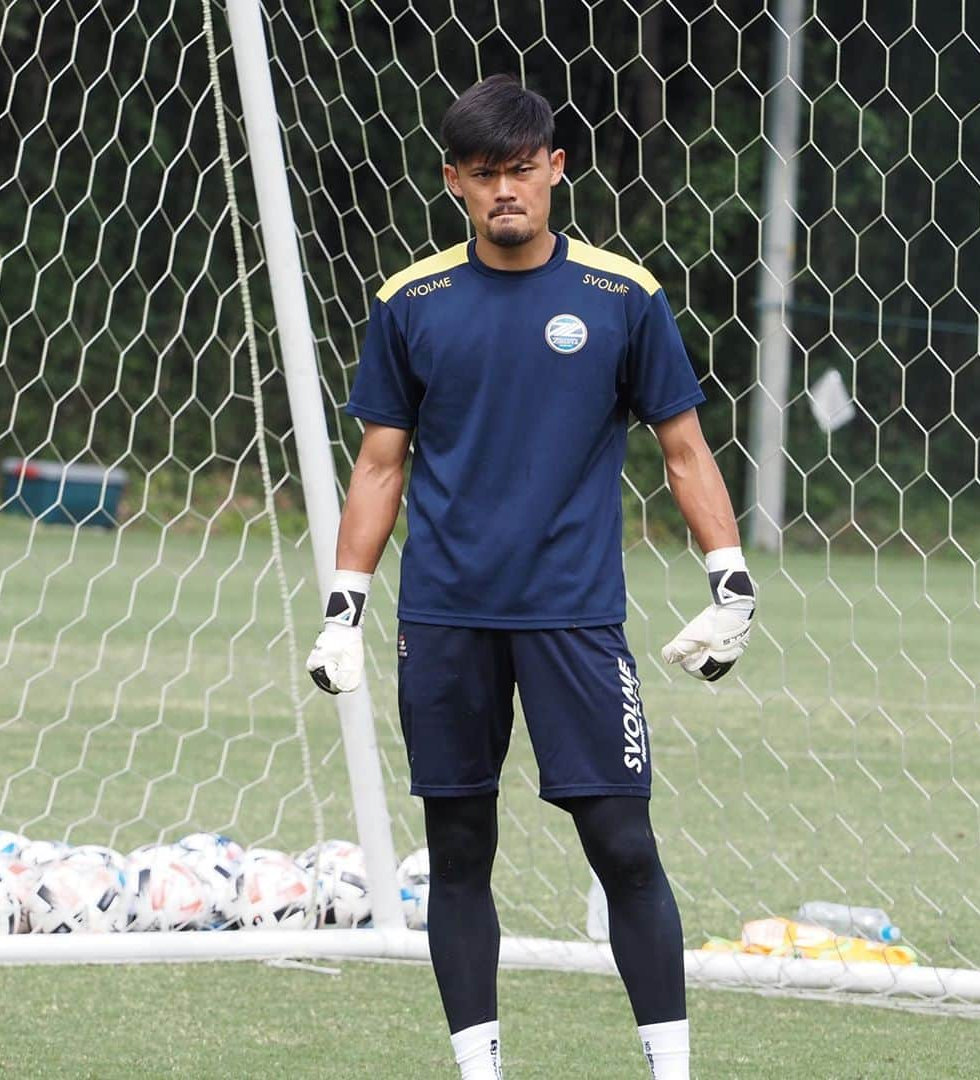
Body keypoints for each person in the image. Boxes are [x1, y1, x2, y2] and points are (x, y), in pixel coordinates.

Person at [306, 74, 756, 1080]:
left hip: (574, 620)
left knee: (625, 848)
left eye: (521, 168)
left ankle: (670, 1072)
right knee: (460, 853)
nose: (505, 189)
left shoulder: (622, 296)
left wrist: (733, 586)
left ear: (555, 169)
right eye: (482, 174)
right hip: (446, 617)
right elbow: (381, 464)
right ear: (453, 183)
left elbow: (684, 450)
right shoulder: (409, 301)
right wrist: (344, 611)